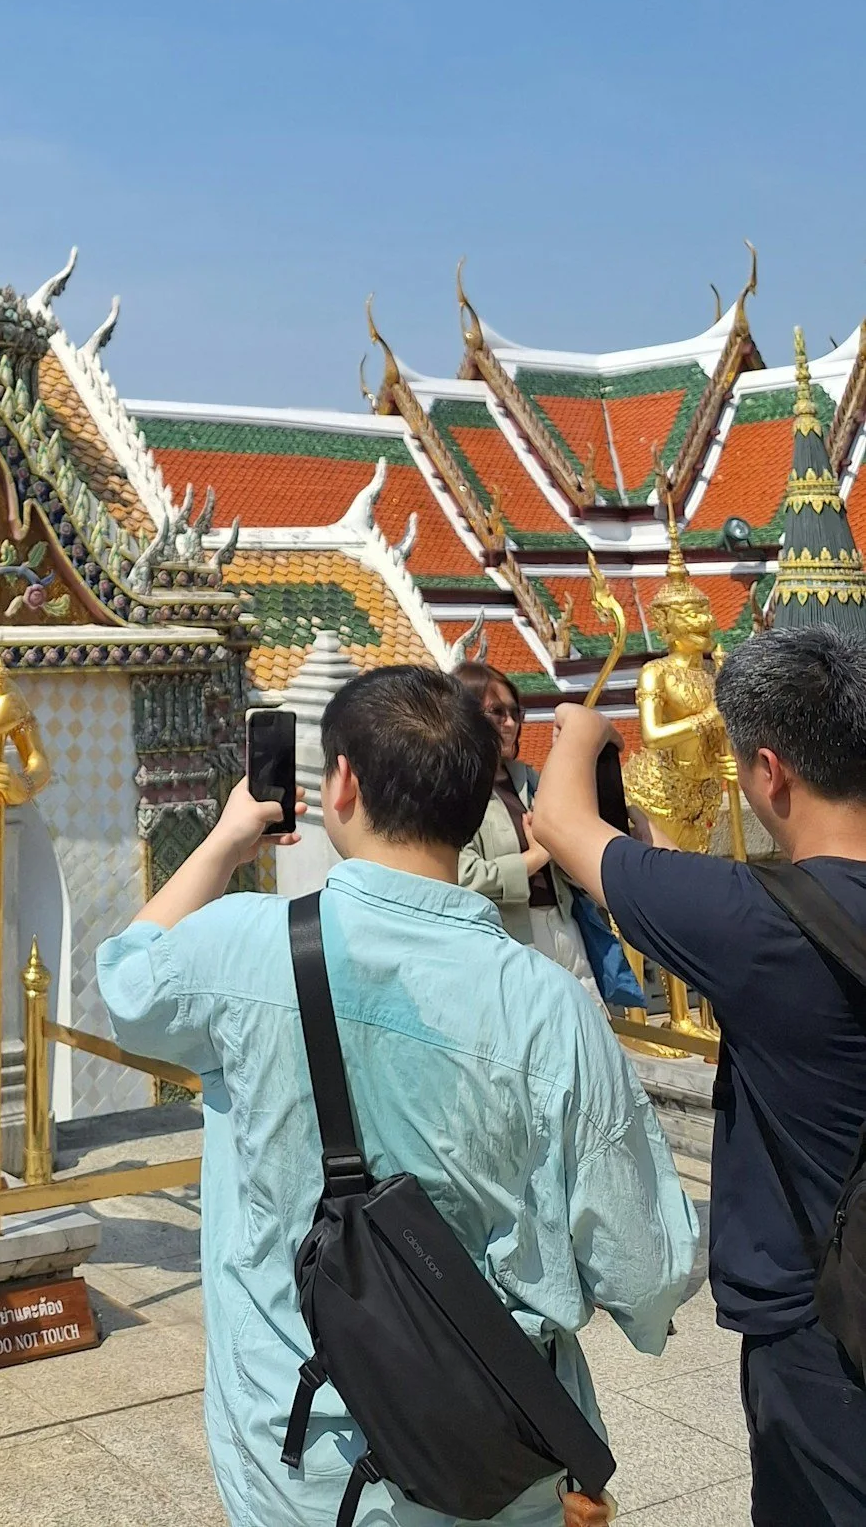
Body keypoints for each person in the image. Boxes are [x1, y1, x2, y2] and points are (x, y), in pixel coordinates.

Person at [99, 663, 696, 1527]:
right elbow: (644, 1271)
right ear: (474, 802)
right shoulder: (547, 1006)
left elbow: (124, 982)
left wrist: (228, 840)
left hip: (298, 1455)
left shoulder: (238, 950)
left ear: (340, 782)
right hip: (498, 1455)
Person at [534, 627, 866, 1527]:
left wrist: (580, 728)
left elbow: (561, 826)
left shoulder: (751, 920)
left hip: (821, 1323)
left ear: (767, 773)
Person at [456, 661, 598, 993]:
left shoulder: (530, 781)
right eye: (496, 712)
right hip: (509, 938)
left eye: (515, 712)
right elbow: (461, 876)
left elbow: (572, 839)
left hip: (565, 923)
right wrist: (536, 856)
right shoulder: (455, 792)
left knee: (594, 1031)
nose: (510, 723)